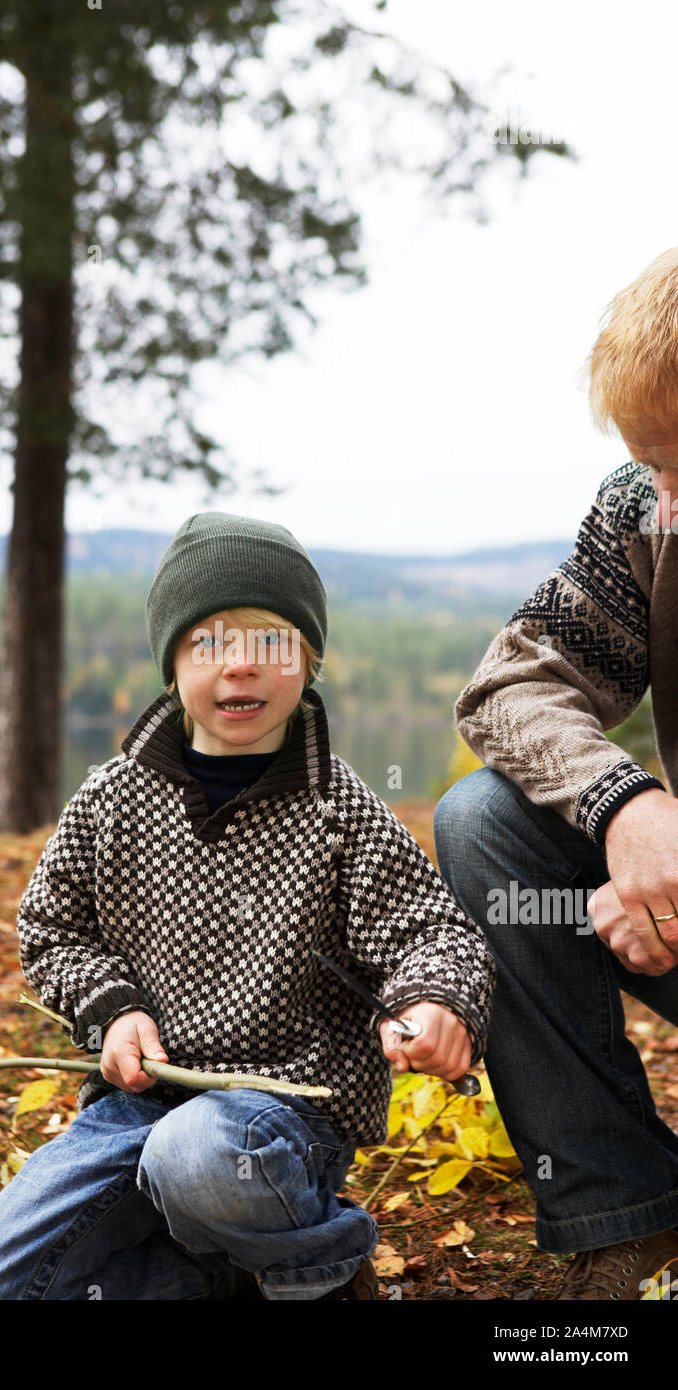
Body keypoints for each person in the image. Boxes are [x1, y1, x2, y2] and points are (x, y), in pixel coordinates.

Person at [0, 511, 494, 1301]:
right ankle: (220, 1270)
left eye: (272, 642)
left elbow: (428, 931)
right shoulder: (112, 798)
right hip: (134, 1109)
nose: (241, 668)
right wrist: (113, 1008)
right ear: (173, 666)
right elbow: (51, 930)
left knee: (196, 1157)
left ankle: (323, 1269)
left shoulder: (339, 809)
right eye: (210, 643)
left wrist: (434, 999)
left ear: (308, 662)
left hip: (281, 1121)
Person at [433, 247, 678, 1301]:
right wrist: (624, 807)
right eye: (654, 466)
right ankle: (623, 1213)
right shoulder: (642, 511)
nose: (669, 505)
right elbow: (508, 687)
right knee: (484, 821)